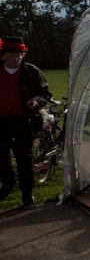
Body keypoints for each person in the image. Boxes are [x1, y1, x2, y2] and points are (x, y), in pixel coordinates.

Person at [0, 37, 52, 208]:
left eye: (19, 56)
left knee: (24, 159)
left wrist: (35, 102)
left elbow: (45, 93)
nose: (15, 59)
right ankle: (9, 181)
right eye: (11, 56)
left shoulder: (31, 71)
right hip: (1, 122)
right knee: (1, 157)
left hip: (23, 121)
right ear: (3, 55)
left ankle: (27, 196)